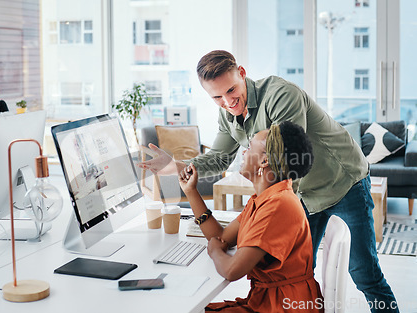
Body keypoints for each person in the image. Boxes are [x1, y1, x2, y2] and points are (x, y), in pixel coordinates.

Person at [139, 50, 399, 312]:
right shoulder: (229, 115)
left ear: (242, 73)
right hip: (297, 194)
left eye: (231, 90)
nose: (228, 102)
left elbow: (285, 159)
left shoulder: (280, 96)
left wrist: (262, 218)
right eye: (217, 97)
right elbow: (220, 158)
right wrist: (178, 166)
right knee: (294, 268)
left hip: (342, 182)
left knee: (364, 273)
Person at [179, 121, 322, 312]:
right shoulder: (265, 198)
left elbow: (231, 271)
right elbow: (222, 236)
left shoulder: (278, 206)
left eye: (248, 147)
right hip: (268, 301)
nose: (244, 153)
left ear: (264, 161)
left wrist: (214, 251)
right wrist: (191, 192)